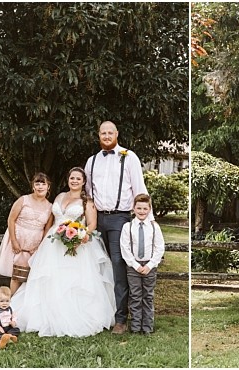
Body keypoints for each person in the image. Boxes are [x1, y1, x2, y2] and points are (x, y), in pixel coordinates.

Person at [11, 167, 116, 337]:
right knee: (48, 278)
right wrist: (42, 241)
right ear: (68, 179)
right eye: (72, 178)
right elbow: (52, 221)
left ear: (83, 182)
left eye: (78, 179)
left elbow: (92, 225)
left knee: (72, 281)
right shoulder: (60, 196)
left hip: (76, 244)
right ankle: (46, 314)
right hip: (52, 243)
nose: (74, 181)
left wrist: (80, 237)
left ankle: (73, 315)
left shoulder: (87, 202)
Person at [84, 120, 149, 335]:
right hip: (96, 219)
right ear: (98, 135)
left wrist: (147, 222)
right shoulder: (92, 161)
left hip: (120, 218)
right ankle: (98, 314)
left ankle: (121, 319)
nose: (106, 136)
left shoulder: (129, 157)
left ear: (117, 134)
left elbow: (140, 189)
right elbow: (88, 194)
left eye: (110, 132)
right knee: (95, 265)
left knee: (118, 266)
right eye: (103, 133)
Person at [0, 173, 53, 295]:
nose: (40, 187)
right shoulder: (23, 200)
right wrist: (14, 241)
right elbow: (11, 220)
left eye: (43, 184)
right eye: (37, 183)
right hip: (18, 242)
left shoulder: (50, 207)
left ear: (48, 187)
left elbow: (47, 229)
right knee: (17, 275)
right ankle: (12, 301)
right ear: (33, 186)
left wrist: (40, 247)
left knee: (30, 276)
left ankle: (24, 302)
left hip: (34, 246)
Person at [119, 194, 165, 335]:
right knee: (135, 295)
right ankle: (135, 326)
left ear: (149, 209)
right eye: (139, 208)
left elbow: (159, 247)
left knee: (148, 296)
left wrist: (150, 265)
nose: (142, 211)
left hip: (150, 266)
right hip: (133, 266)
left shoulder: (154, 227)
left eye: (145, 208)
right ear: (133, 209)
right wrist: (135, 265)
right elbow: (125, 248)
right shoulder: (128, 227)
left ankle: (147, 327)